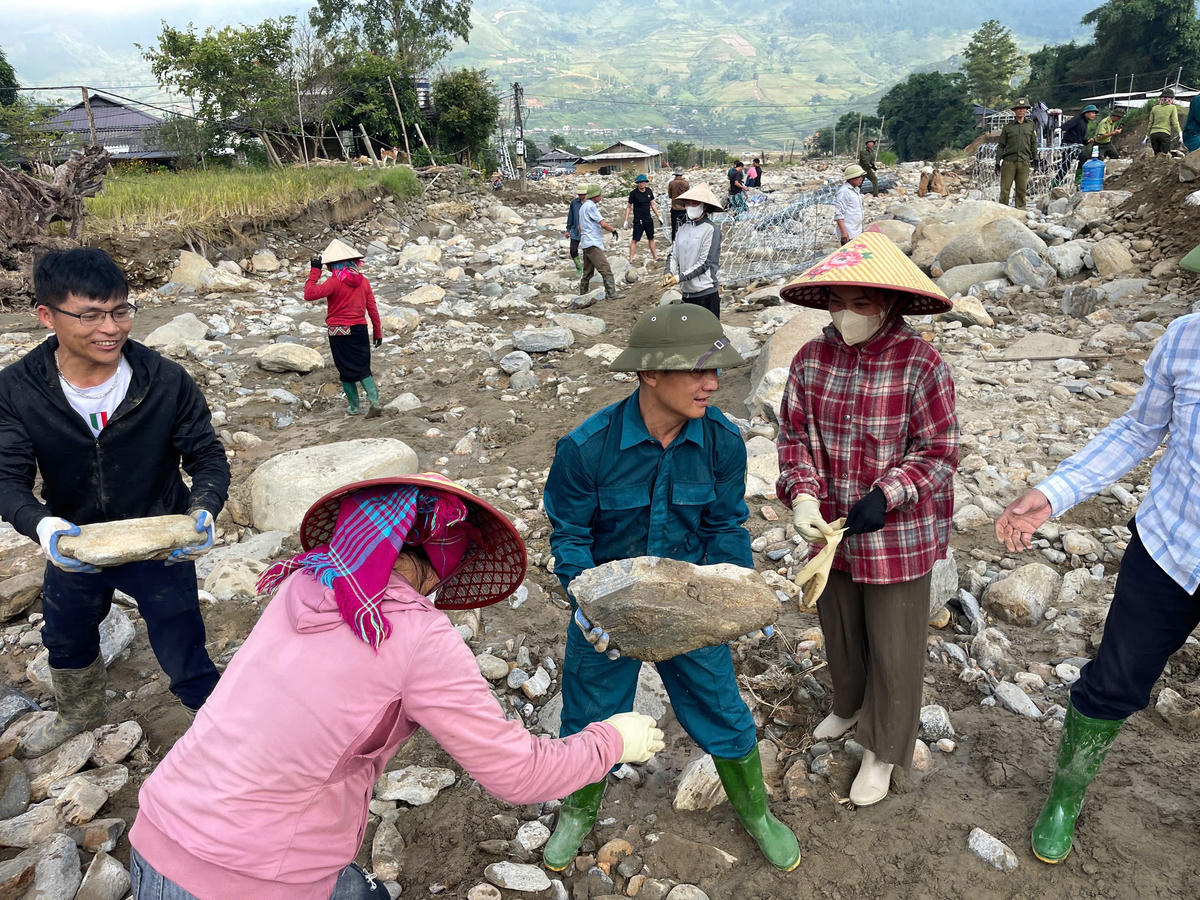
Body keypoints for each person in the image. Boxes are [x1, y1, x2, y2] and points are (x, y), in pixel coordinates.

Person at [128, 473, 665, 899]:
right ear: (441, 566)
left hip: (156, 830)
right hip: (251, 878)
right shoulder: (417, 634)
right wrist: (613, 740)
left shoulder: (303, 579)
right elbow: (518, 774)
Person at [542, 305, 802, 873]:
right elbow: (570, 537)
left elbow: (725, 526)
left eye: (716, 371)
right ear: (649, 375)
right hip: (608, 610)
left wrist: (733, 592)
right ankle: (577, 811)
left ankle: (755, 812)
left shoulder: (722, 443)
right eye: (696, 371)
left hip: (690, 606)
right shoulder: (586, 449)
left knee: (723, 709)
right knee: (590, 715)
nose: (712, 383)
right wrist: (586, 604)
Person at [995, 289, 1200, 864]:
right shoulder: (1185, 337)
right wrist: (1053, 493)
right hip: (1170, 545)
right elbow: (1140, 430)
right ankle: (1065, 797)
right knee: (1114, 678)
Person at [0, 248, 229, 757]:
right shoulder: (17, 390)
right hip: (78, 540)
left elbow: (207, 456)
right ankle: (79, 712)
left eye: (120, 311)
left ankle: (207, 714)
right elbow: (7, 479)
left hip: (158, 538)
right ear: (46, 316)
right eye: (90, 315)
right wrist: (43, 528)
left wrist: (203, 510)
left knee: (180, 634)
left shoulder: (163, 381)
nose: (111, 328)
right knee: (64, 634)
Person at [776, 232, 959, 807]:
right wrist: (803, 495)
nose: (845, 315)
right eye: (838, 302)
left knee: (895, 642)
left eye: (861, 304)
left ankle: (883, 749)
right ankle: (848, 705)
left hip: (898, 535)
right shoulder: (810, 360)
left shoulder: (922, 364)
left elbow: (941, 448)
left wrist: (891, 492)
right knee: (842, 628)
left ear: (890, 305)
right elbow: (794, 438)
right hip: (830, 532)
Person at [304, 240, 384, 417]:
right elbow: (372, 308)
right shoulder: (364, 282)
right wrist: (377, 332)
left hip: (338, 331)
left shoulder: (333, 282)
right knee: (363, 367)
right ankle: (374, 402)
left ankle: (354, 407)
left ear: (332, 265)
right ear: (354, 262)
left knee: (345, 369)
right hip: (359, 330)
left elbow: (309, 294)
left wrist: (315, 271)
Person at [663, 183, 725, 318]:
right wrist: (669, 272)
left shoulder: (711, 230)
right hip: (686, 293)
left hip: (705, 292)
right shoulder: (682, 229)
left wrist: (680, 277)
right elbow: (674, 255)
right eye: (688, 203)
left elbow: (705, 263)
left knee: (709, 335)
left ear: (704, 206)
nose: (690, 206)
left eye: (695, 203)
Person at [579, 184, 620, 300]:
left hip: (586, 242)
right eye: (600, 195)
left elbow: (579, 226)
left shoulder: (583, 207)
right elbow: (602, 223)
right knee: (605, 268)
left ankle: (583, 294)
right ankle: (611, 294)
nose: (601, 197)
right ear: (595, 196)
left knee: (587, 272)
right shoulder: (591, 207)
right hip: (593, 243)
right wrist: (613, 230)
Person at [997, 98, 1038, 208]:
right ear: (1015, 111)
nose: (1021, 111)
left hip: (1024, 161)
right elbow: (1001, 145)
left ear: (1026, 110)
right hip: (1009, 162)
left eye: (1023, 108)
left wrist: (1036, 159)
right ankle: (1002, 209)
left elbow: (1033, 143)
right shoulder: (1008, 127)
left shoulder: (1030, 125)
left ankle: (1020, 210)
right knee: (1005, 189)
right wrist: (997, 162)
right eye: (1019, 109)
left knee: (1021, 189)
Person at [624, 174, 663, 264]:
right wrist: (626, 220)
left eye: (643, 182)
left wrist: (659, 216)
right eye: (639, 182)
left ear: (646, 183)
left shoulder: (649, 191)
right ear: (637, 183)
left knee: (651, 238)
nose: (641, 184)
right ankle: (631, 259)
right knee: (635, 240)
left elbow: (653, 204)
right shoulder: (633, 193)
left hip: (648, 219)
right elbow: (629, 207)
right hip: (638, 221)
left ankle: (655, 257)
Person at [1060, 104, 1100, 184]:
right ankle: (1078, 178)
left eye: (1095, 113)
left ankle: (1054, 183)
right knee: (1083, 157)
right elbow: (1068, 124)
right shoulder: (1078, 119)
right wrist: (1060, 129)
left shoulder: (1085, 123)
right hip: (1068, 145)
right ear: (1086, 113)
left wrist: (1086, 141)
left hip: (1075, 145)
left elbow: (1079, 138)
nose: (1094, 115)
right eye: (1092, 113)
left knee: (1065, 167)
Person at [835, 164, 866, 244]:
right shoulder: (844, 192)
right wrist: (844, 233)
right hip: (849, 234)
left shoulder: (856, 190)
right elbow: (839, 214)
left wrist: (861, 228)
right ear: (852, 179)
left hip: (857, 232)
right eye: (859, 177)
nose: (861, 179)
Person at [1148, 89, 1183, 156]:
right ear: (1171, 98)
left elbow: (1150, 123)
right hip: (1164, 134)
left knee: (1157, 155)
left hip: (1153, 135)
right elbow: (1175, 122)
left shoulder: (1154, 108)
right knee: (1164, 156)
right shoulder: (1172, 107)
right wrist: (1180, 132)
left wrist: (1146, 136)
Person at [565, 183, 587, 277]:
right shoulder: (574, 203)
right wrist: (568, 229)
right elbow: (571, 216)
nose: (581, 196)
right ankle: (579, 268)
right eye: (579, 194)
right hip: (575, 230)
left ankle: (588, 269)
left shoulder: (590, 203)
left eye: (583, 194)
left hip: (586, 230)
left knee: (587, 251)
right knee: (573, 250)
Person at [667, 169, 691, 241]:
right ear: (681, 175)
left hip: (675, 208)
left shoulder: (671, 183)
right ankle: (683, 240)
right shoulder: (686, 183)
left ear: (675, 175)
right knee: (684, 226)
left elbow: (670, 196)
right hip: (683, 208)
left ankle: (674, 241)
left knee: (674, 226)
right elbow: (688, 196)